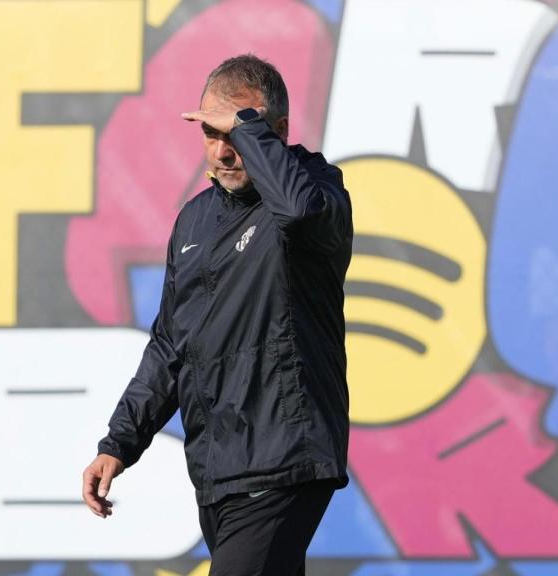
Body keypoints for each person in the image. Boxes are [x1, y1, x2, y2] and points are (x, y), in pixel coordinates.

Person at [81, 53, 353, 575]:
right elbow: (169, 347)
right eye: (212, 133)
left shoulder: (317, 192)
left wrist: (250, 131)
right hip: (218, 470)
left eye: (239, 134)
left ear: (276, 132)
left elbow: (297, 212)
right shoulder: (195, 221)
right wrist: (119, 443)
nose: (224, 151)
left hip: (283, 460)